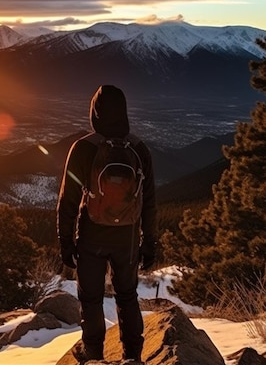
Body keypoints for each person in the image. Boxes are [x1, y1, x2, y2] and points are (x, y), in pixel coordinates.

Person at [57, 84, 157, 364]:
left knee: (91, 300)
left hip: (91, 236)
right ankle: (133, 356)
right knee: (127, 297)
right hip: (126, 238)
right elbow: (149, 202)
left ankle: (94, 356)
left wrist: (66, 242)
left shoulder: (84, 148)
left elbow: (68, 200)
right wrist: (150, 242)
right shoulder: (139, 148)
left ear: (95, 113)